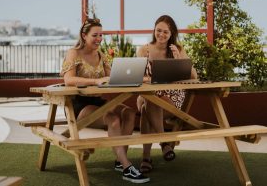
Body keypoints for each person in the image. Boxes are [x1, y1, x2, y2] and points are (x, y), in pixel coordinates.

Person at [60, 18, 150, 184]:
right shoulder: (74, 53)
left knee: (129, 113)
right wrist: (95, 81)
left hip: (98, 102)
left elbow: (114, 77)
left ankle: (119, 160)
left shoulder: (100, 55)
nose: (99, 39)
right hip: (79, 106)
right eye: (95, 35)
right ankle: (127, 168)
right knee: (113, 119)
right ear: (84, 35)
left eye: (101, 35)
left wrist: (142, 78)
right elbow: (68, 80)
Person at [136, 15, 197, 173]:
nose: (161, 34)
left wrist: (178, 60)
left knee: (146, 109)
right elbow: (136, 76)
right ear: (154, 30)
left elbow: (193, 77)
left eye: (165, 32)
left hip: (171, 97)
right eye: (158, 30)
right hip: (147, 93)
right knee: (149, 100)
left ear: (171, 34)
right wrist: (146, 76)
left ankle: (146, 158)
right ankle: (164, 143)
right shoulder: (144, 50)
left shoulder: (178, 49)